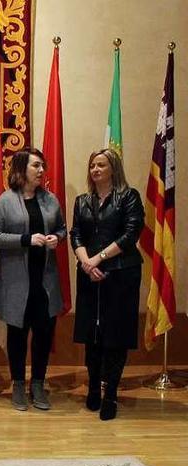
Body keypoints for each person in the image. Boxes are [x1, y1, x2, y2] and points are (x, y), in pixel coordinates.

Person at [0, 148, 66, 411]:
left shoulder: (51, 199)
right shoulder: (5, 201)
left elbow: (62, 229)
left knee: (44, 334)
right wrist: (25, 240)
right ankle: (18, 384)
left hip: (45, 280)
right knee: (17, 335)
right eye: (36, 166)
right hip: (16, 282)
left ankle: (39, 384)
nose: (41, 170)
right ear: (21, 169)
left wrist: (57, 238)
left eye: (43, 165)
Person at [70, 148, 143, 421]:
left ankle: (111, 392)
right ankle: (93, 388)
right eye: (92, 166)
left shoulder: (128, 197)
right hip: (89, 274)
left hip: (120, 274)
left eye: (101, 165)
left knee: (115, 335)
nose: (95, 170)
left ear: (113, 168)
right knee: (92, 335)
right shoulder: (82, 201)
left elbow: (130, 234)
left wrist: (99, 259)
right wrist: (87, 263)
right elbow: (76, 234)